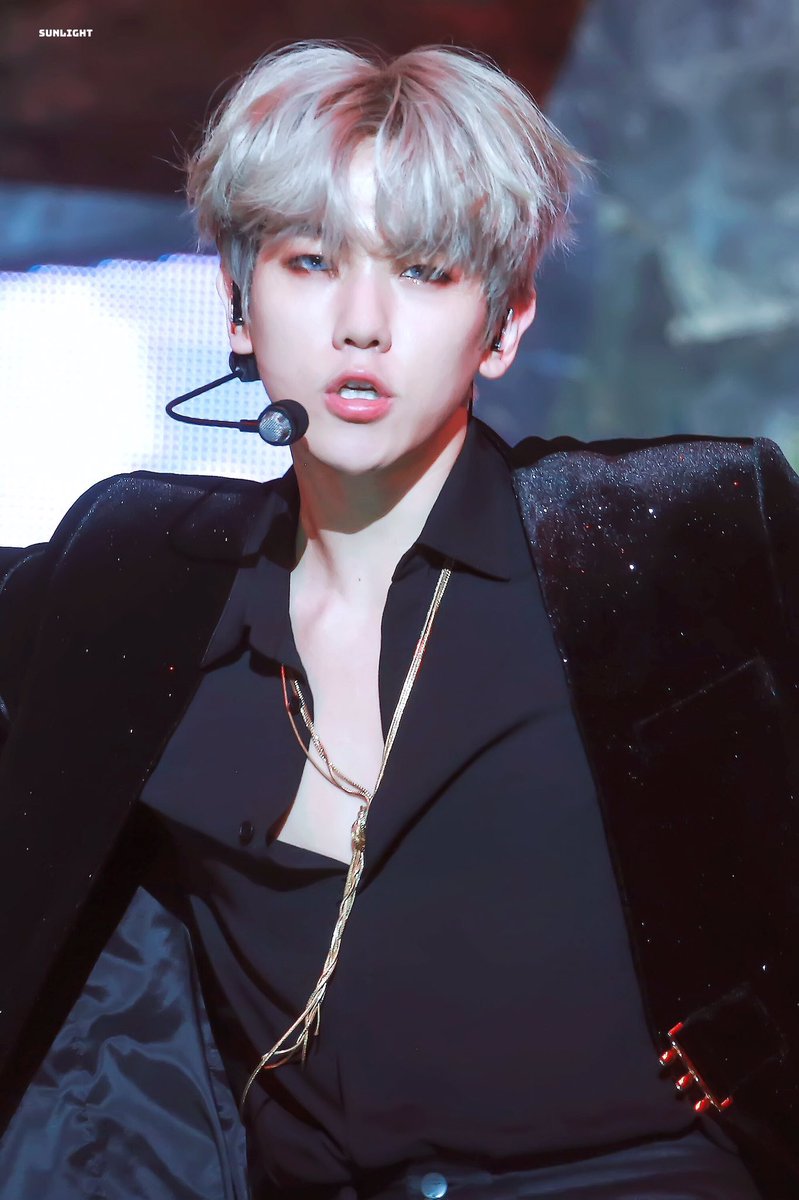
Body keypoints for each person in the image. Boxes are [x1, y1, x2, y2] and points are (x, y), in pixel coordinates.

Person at [0, 39, 797, 1200]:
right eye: (311, 262)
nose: (361, 323)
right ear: (237, 304)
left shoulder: (665, 537)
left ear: (504, 323)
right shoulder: (137, 574)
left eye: (424, 271)